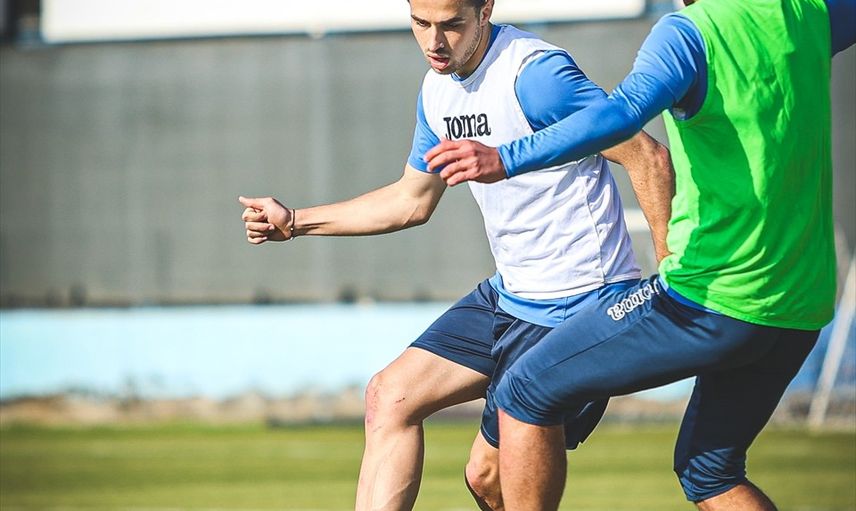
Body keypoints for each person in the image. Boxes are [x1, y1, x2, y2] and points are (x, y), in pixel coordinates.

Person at [239, 0, 673, 509]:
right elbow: (411, 200)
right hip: (510, 295)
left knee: (488, 477)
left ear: (485, 9)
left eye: (451, 25)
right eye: (420, 24)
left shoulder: (536, 76)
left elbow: (648, 157)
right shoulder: (436, 91)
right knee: (390, 397)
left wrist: (671, 280)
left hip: (579, 307)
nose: (434, 42)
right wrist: (296, 221)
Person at [424, 0, 856, 509]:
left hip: (713, 297)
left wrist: (507, 156)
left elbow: (620, 115)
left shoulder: (689, 33)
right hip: (801, 305)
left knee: (524, 389)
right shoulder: (803, 13)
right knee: (710, 472)